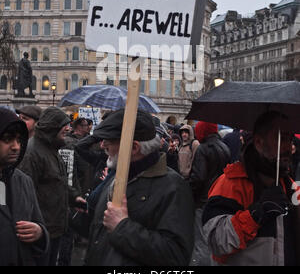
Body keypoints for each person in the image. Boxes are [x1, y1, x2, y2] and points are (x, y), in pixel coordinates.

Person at [84, 108, 195, 266]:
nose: (102, 145)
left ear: (134, 148)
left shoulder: (173, 188)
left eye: (109, 139)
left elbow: (175, 255)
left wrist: (122, 227)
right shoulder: (117, 178)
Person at [203, 111, 300, 266]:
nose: (288, 146)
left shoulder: (290, 186)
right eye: (280, 138)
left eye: (290, 139)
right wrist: (256, 214)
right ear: (259, 142)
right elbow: (216, 240)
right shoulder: (230, 183)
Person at [19, 106, 85, 266]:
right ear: (52, 129)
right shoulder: (32, 153)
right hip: (41, 231)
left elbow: (58, 182)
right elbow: (25, 196)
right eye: (64, 126)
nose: (68, 129)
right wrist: (35, 227)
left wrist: (74, 197)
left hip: (53, 229)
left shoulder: (52, 150)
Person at [0, 108, 49, 266]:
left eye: (19, 140)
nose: (16, 147)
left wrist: (39, 233)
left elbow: (38, 222)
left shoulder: (24, 181)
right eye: (7, 139)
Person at [189, 121, 231, 266]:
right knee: (214, 239)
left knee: (201, 240)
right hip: (219, 198)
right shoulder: (224, 147)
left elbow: (198, 177)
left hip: (203, 200)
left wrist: (190, 194)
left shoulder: (203, 149)